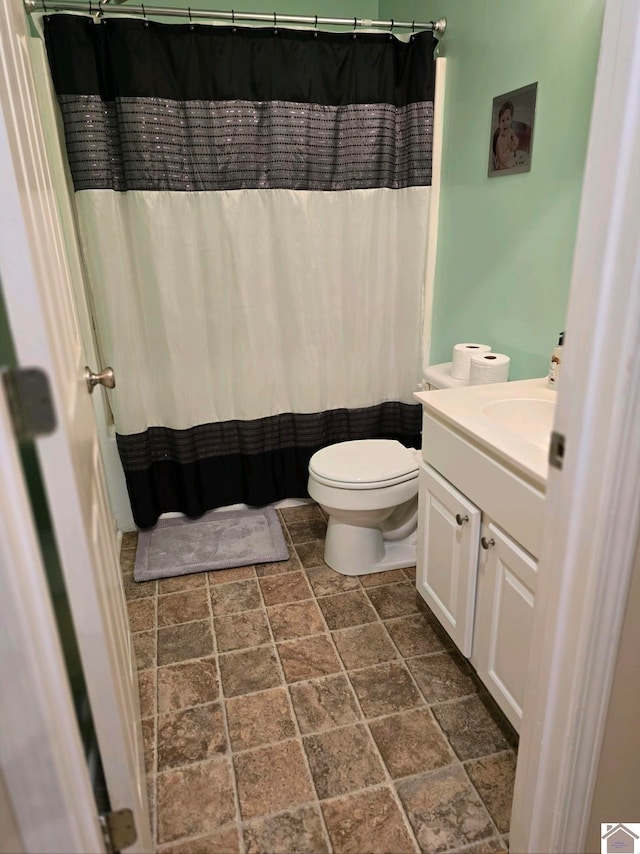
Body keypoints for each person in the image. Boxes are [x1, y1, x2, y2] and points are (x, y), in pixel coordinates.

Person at [493, 100, 519, 170]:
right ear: (499, 123)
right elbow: (502, 159)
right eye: (503, 120)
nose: (505, 123)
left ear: (511, 120)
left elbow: (515, 144)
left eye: (508, 119)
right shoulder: (499, 141)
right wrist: (510, 149)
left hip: (510, 163)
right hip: (503, 167)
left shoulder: (510, 132)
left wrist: (514, 139)